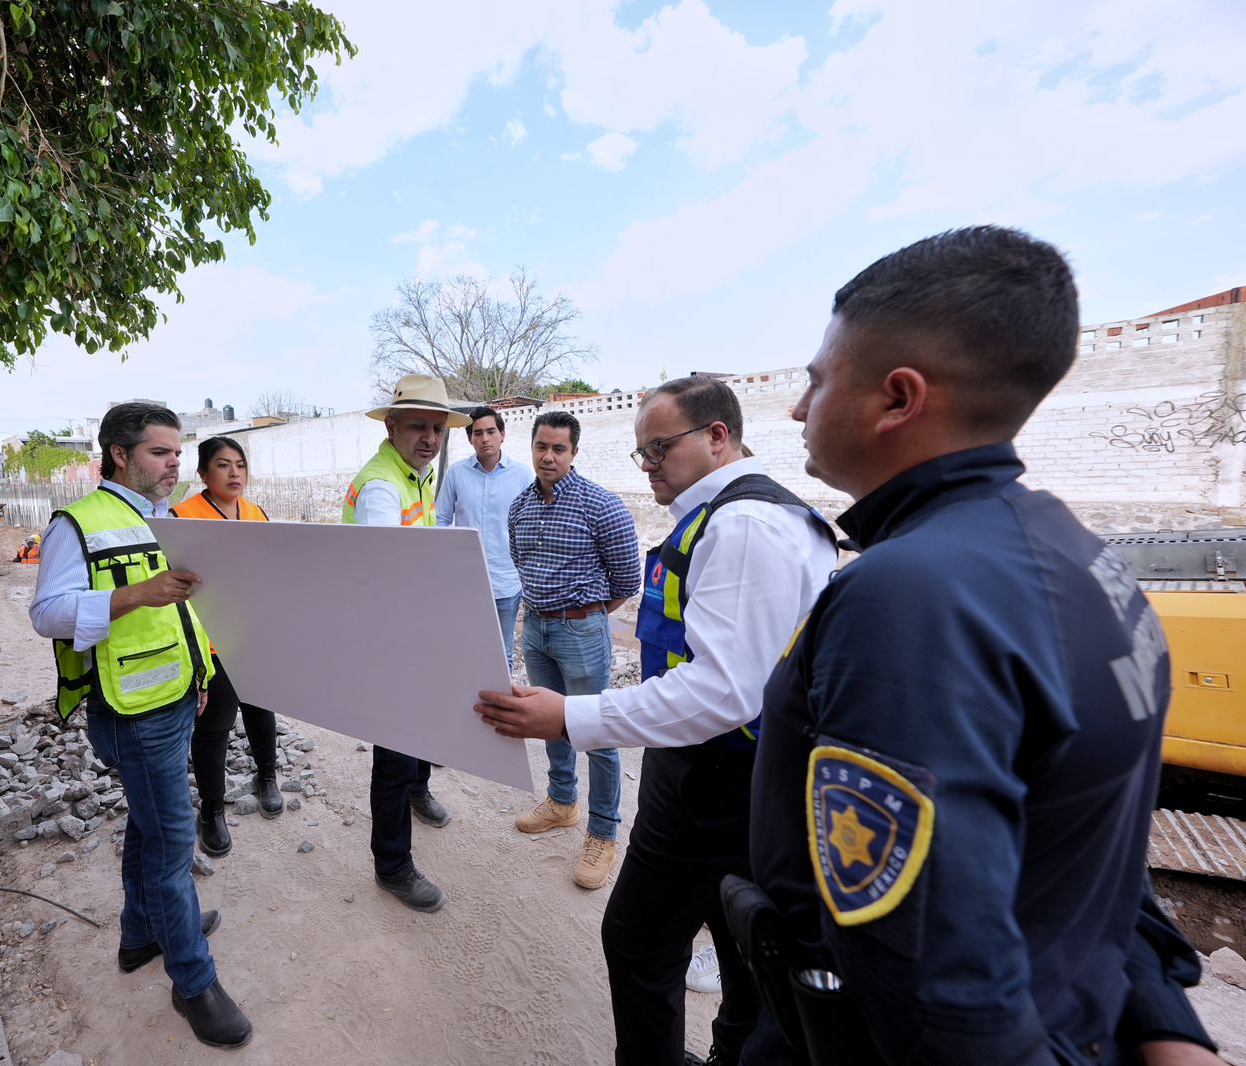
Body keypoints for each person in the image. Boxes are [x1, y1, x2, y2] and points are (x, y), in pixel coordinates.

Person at [743, 226, 1220, 1064]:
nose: (796, 407)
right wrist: (1165, 1021)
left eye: (816, 381)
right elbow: (1086, 845)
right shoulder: (1074, 552)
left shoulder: (912, 595)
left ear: (898, 398)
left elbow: (938, 988)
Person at [477, 379, 835, 1064]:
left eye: (660, 448)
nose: (648, 463)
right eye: (642, 451)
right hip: (736, 775)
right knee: (742, 947)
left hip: (716, 781)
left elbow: (727, 692)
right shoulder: (734, 516)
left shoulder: (743, 527)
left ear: (718, 436)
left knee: (640, 942)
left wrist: (573, 716)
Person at [29, 402, 251, 1050]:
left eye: (178, 453)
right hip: (131, 711)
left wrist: (201, 677)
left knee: (151, 827)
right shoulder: (79, 523)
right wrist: (135, 595)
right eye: (162, 452)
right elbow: (47, 613)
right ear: (119, 454)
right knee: (172, 844)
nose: (175, 463)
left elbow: (184, 612)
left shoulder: (164, 518)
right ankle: (192, 980)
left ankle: (139, 937)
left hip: (176, 695)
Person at [341, 374, 469, 912]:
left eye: (438, 428)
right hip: (387, 641)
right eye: (418, 425)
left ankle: (418, 788)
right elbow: (385, 577)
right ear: (391, 426)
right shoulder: (381, 487)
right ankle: (392, 865)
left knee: (418, 736)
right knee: (393, 753)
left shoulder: (414, 476)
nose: (430, 437)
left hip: (411, 631)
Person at [504, 410, 640, 890]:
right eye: (541, 446)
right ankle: (562, 802)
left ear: (574, 452)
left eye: (559, 448)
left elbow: (627, 577)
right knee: (550, 722)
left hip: (581, 632)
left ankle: (603, 832)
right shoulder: (520, 506)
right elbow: (521, 562)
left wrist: (589, 616)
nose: (548, 456)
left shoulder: (600, 506)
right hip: (537, 630)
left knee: (597, 730)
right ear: (532, 447)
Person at [171, 436, 284, 858]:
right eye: (223, 465)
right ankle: (212, 812)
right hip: (210, 640)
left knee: (260, 709)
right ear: (203, 473)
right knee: (215, 726)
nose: (235, 473)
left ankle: (266, 777)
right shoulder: (183, 516)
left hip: (253, 634)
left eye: (240, 465)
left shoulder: (256, 513)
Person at [435, 406, 533, 673]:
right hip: (465, 581)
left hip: (506, 581)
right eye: (478, 433)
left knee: (502, 653)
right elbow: (441, 520)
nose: (485, 438)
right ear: (470, 439)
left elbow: (532, 526)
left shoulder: (523, 475)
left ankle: (500, 710)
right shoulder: (456, 473)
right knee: (465, 646)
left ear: (502, 434)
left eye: (491, 431)